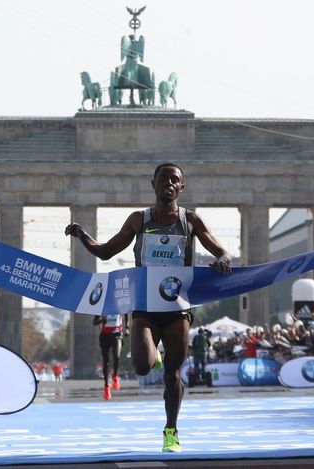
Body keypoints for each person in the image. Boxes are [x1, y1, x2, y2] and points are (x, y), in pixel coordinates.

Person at [65, 162, 231, 452]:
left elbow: (221, 251)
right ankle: (153, 356)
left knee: (173, 374)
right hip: (144, 306)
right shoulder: (138, 220)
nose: (168, 183)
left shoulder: (191, 220)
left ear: (181, 187)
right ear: (152, 184)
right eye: (163, 179)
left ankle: (171, 431)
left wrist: (224, 259)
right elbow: (105, 252)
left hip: (178, 307)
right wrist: (82, 235)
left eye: (174, 179)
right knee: (142, 366)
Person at [93, 313, 128, 400]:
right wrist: (102, 320)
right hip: (105, 335)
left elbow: (126, 313)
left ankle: (115, 377)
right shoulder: (102, 307)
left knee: (116, 356)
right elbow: (95, 321)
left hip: (117, 334)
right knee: (106, 361)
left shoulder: (119, 304)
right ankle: (106, 387)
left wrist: (126, 328)